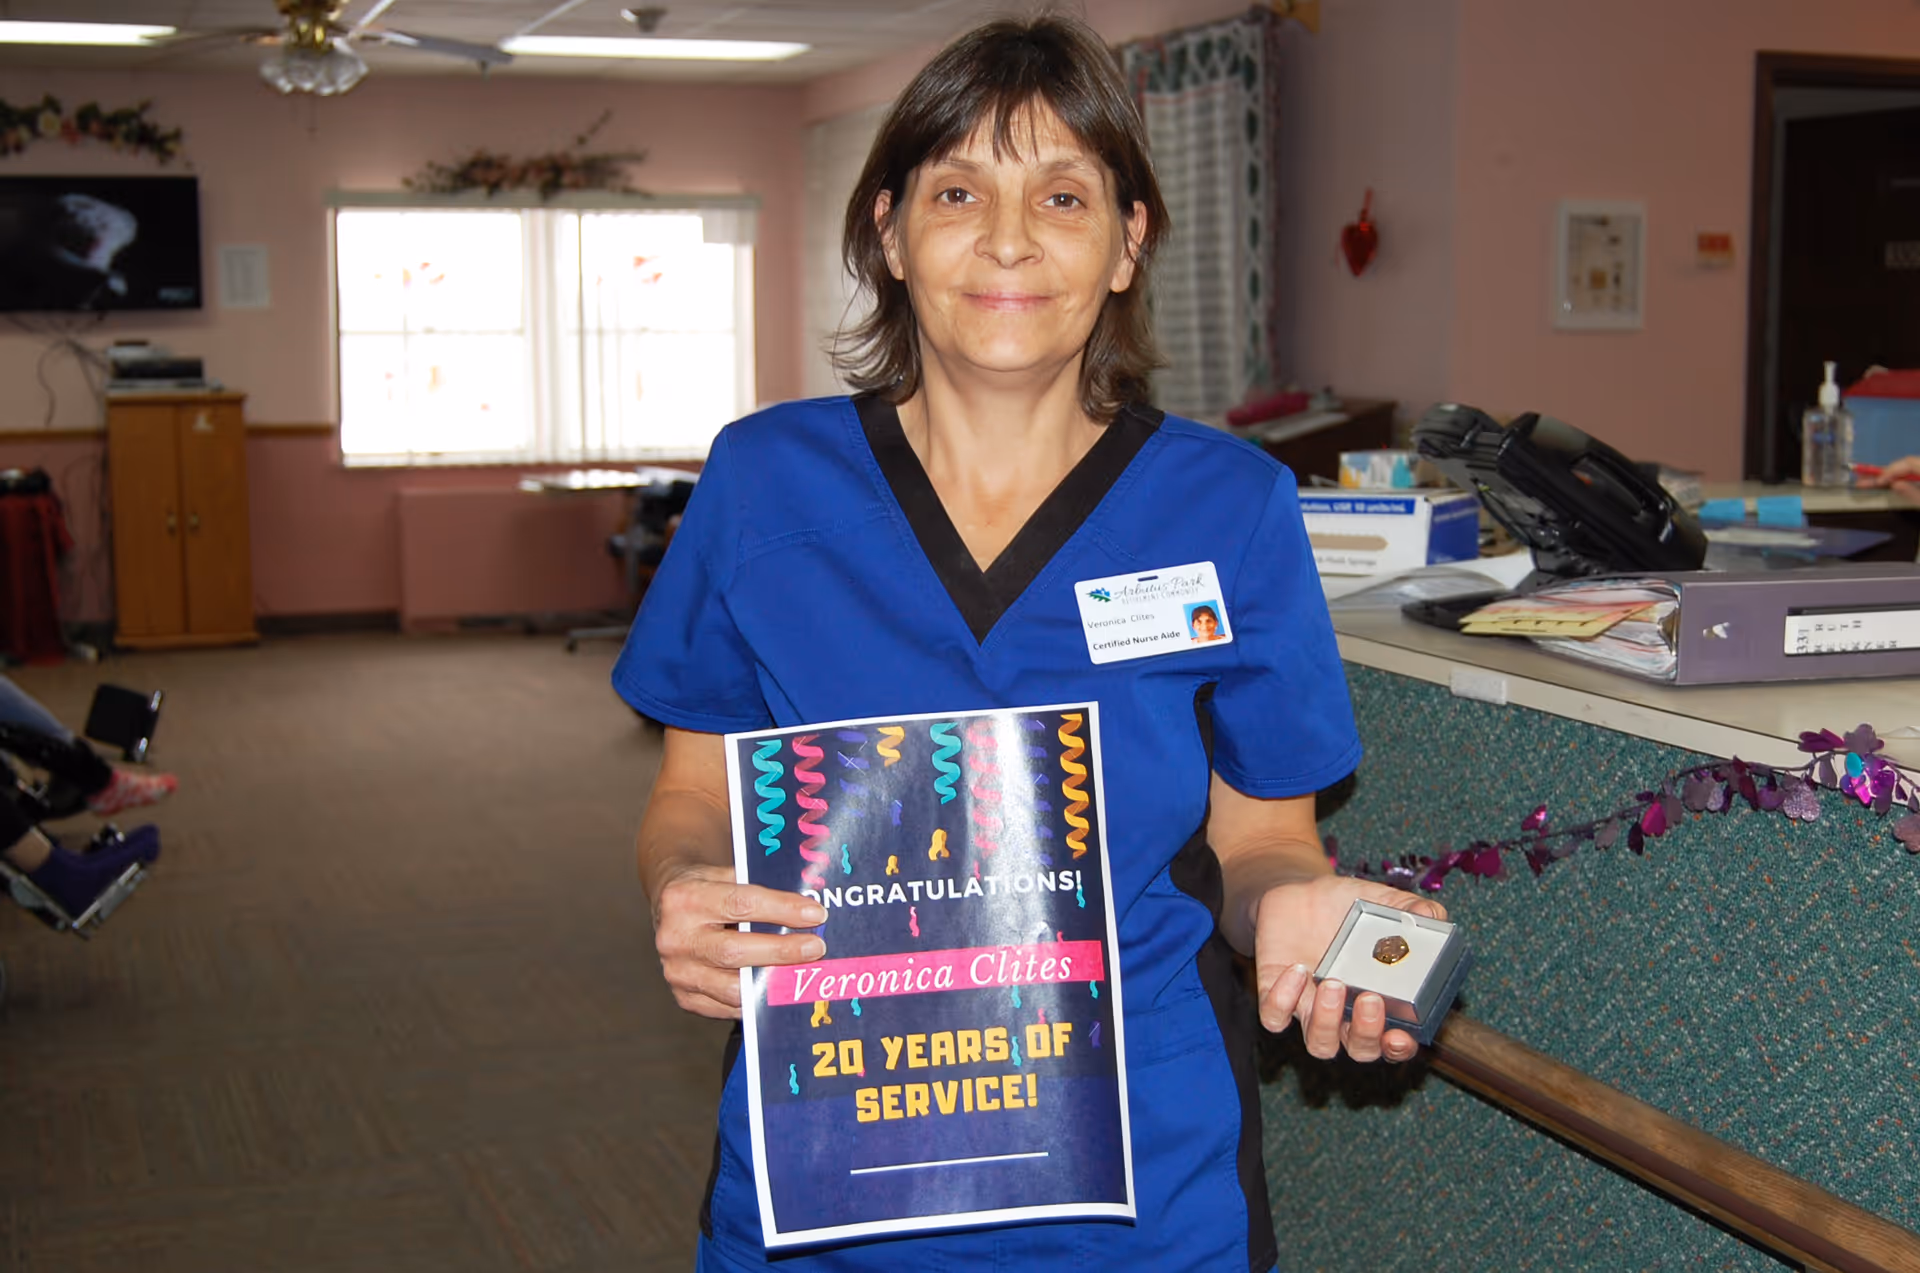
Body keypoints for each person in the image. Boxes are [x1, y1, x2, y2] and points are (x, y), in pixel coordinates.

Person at [615, 16, 1445, 1271]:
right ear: (889, 232)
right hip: (828, 1176)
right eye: (960, 190)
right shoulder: (764, 485)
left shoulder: (1231, 507)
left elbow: (1264, 839)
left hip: (1141, 1190)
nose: (1010, 238)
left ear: (1129, 243)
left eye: (1064, 194)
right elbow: (690, 794)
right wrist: (683, 888)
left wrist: (1292, 909)